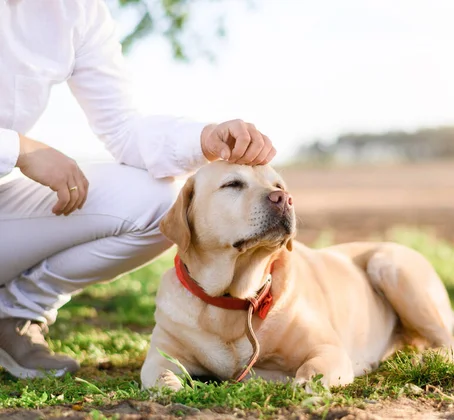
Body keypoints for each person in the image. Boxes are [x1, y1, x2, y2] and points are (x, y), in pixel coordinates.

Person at [0, 0, 276, 379]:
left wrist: (205, 139)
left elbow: (124, 128)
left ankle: (14, 313)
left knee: (156, 202)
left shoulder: (77, 10)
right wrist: (20, 149)